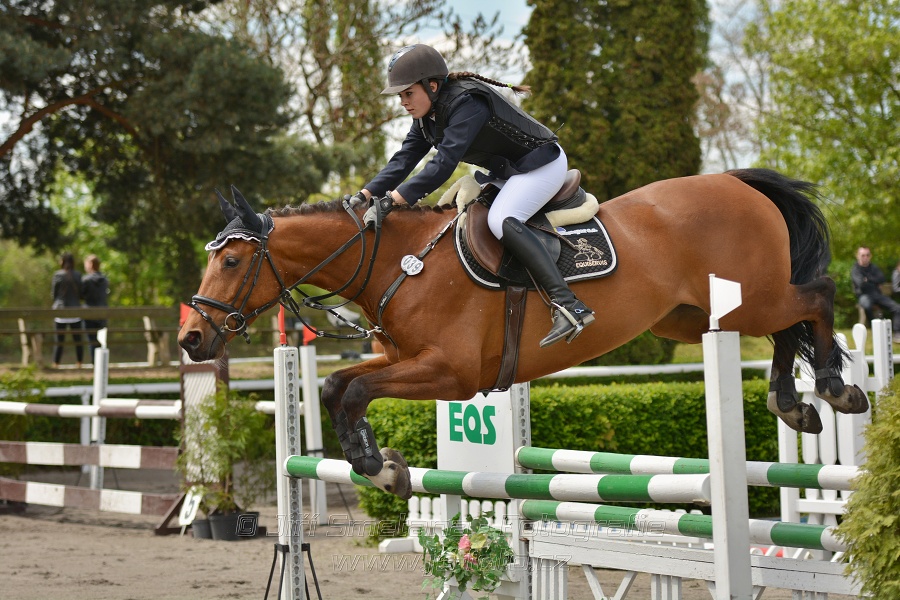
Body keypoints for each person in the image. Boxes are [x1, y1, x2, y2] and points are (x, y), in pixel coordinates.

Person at [354, 44, 593, 347]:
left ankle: (569, 305)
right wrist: (363, 195)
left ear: (433, 85)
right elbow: (403, 160)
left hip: (540, 165)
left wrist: (392, 201)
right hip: (511, 172)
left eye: (408, 93)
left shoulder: (467, 103)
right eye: (400, 96)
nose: (403, 102)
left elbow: (442, 165)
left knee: (501, 219)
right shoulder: (427, 117)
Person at [850, 247, 900, 342]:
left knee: (897, 308)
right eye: (863, 255)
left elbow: (882, 279)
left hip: (877, 295)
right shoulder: (855, 269)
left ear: (870, 256)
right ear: (858, 256)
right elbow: (861, 284)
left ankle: (897, 333)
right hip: (864, 295)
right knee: (867, 305)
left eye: (867, 255)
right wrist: (873, 281)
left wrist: (867, 279)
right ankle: (875, 329)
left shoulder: (873, 267)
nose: (865, 257)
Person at [51, 251, 84, 368]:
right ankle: (79, 362)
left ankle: (56, 363)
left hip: (61, 311)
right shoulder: (78, 275)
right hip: (75, 311)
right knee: (77, 339)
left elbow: (54, 295)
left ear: (63, 261)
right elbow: (81, 294)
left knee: (59, 340)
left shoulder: (57, 275)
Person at [81, 254, 110, 360]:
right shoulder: (105, 280)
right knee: (102, 340)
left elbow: (81, 295)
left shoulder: (86, 280)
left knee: (92, 340)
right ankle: (102, 363)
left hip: (89, 313)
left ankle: (95, 364)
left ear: (90, 264)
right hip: (103, 313)